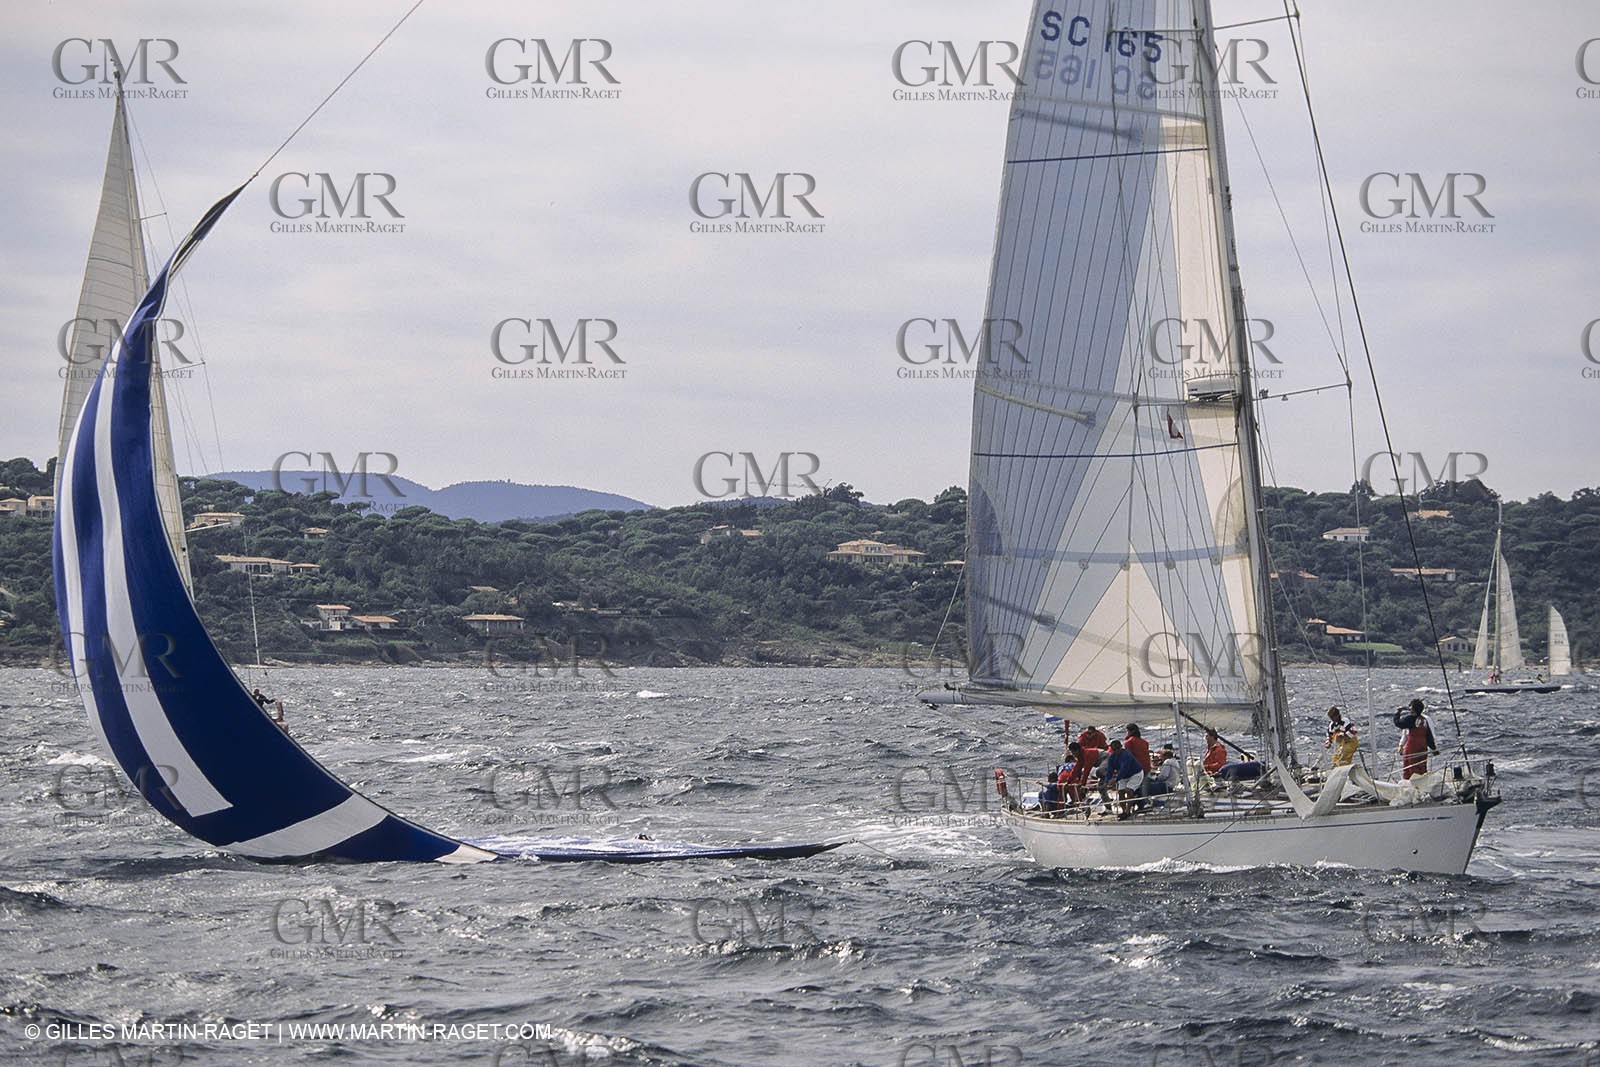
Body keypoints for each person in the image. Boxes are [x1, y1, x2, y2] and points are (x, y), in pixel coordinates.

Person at [1393, 697, 1439, 779]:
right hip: (1423, 747)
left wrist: (1398, 713)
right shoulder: (1424, 720)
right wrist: (1434, 749)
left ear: (1412, 709)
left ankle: (1412, 786)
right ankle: (1423, 784)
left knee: (1410, 768)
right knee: (1421, 767)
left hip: (1412, 747)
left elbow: (1398, 723)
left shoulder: (1410, 719)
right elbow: (1429, 736)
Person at [1100, 739, 1145, 818]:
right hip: (1124, 776)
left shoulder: (1126, 755)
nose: (1116, 750)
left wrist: (1115, 780)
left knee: (1129, 790)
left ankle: (1128, 811)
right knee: (1120, 792)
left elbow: (1124, 768)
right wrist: (1106, 781)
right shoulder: (1112, 757)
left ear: (1121, 747)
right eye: (1114, 749)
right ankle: (1124, 811)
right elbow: (1110, 770)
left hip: (1135, 773)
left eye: (1118, 748)